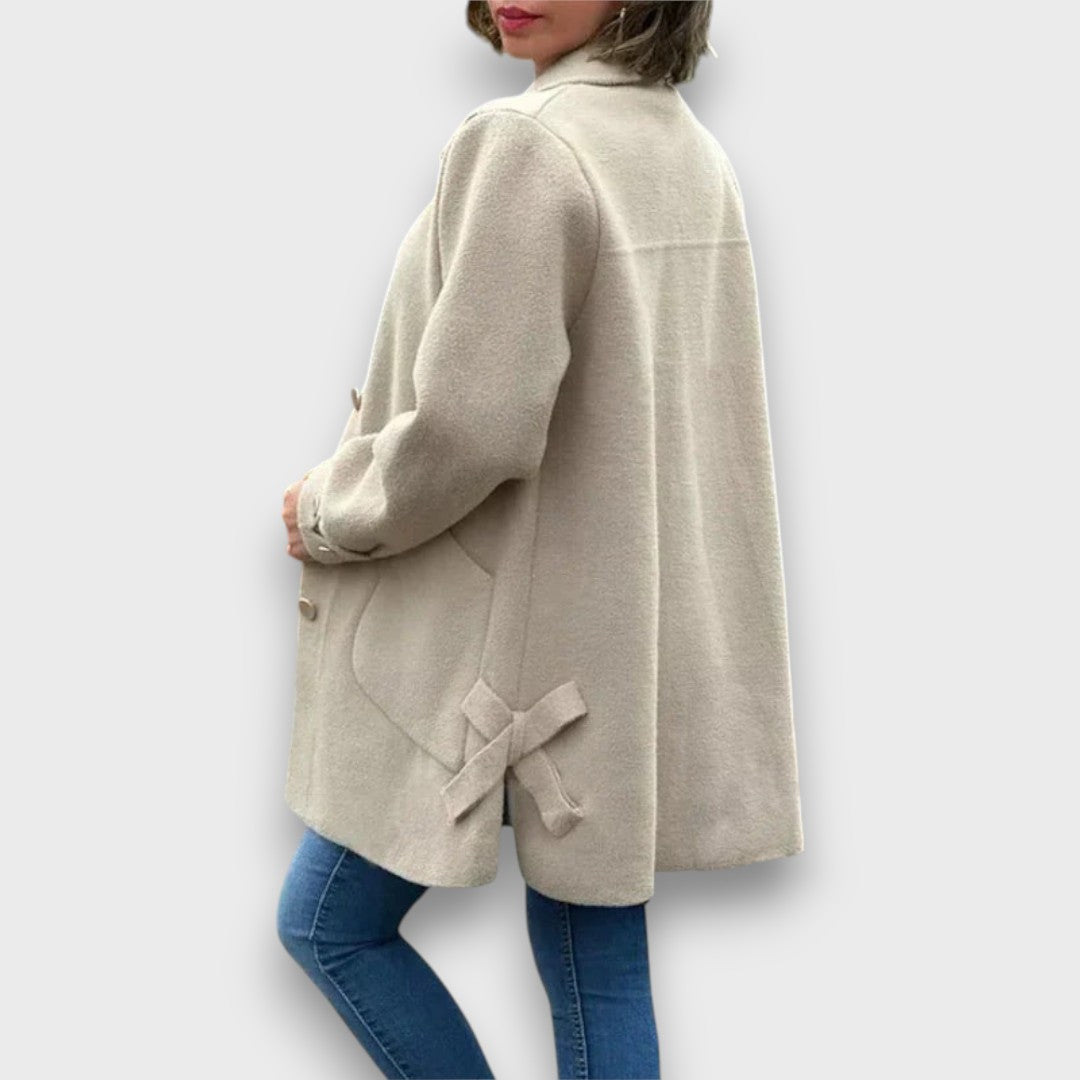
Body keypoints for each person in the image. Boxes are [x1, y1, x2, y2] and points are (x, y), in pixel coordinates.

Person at [277, 2, 804, 1077]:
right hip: (618, 641)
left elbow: (473, 426)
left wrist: (331, 509)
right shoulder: (689, 150)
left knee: (329, 923)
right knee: (596, 962)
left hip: (504, 654)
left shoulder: (527, 143)